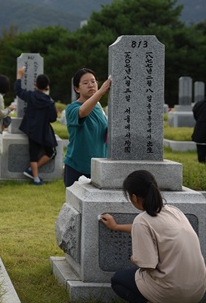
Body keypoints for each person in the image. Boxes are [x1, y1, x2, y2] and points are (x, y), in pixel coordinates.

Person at [100, 170, 206, 303]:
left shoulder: (142, 220)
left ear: (134, 197)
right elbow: (151, 229)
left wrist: (134, 258)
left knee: (117, 280)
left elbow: (148, 265)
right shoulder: (174, 211)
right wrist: (116, 227)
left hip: (174, 292)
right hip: (198, 291)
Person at [63, 68, 111, 187]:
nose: (91, 85)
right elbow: (83, 112)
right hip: (77, 168)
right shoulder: (72, 108)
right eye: (85, 83)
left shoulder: (98, 107)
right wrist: (101, 92)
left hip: (99, 167)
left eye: (93, 81)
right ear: (77, 88)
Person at [14, 67, 57, 186]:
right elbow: (53, 118)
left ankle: (36, 178)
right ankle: (32, 172)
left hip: (31, 130)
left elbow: (18, 91)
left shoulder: (31, 96)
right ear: (47, 86)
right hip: (43, 131)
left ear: (35, 84)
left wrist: (19, 75)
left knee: (33, 153)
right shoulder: (49, 101)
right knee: (51, 152)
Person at [192, 98, 206, 163]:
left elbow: (195, 114)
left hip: (200, 129)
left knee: (201, 154)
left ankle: (201, 162)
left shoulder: (199, 104)